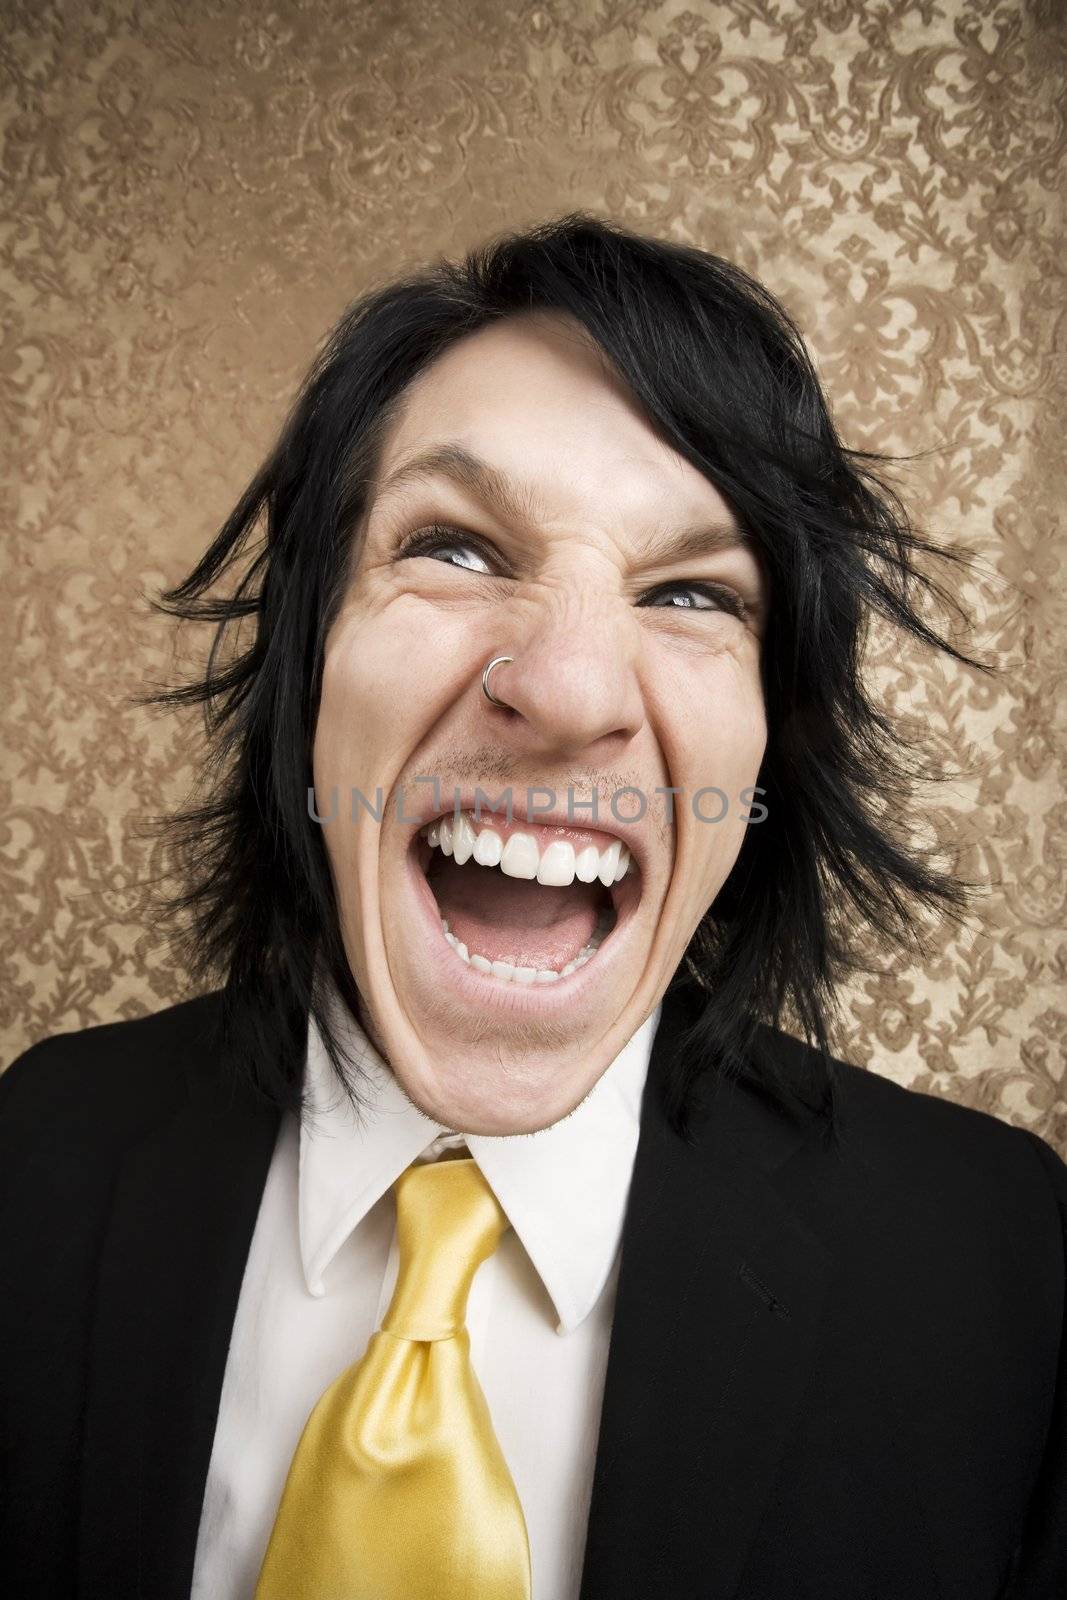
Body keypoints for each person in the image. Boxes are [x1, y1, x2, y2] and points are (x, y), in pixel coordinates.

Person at [1, 216, 1063, 1600]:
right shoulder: (31, 1163)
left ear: (768, 747)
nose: (567, 691)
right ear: (310, 664)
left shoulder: (1009, 1274)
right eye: (452, 548)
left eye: (691, 591)